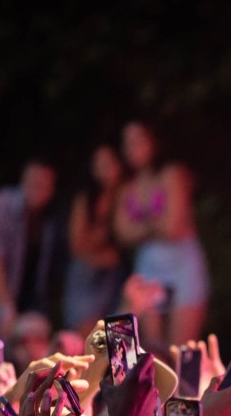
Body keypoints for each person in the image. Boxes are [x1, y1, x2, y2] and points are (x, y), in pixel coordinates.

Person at [112, 120, 209, 356]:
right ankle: (145, 382)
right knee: (149, 349)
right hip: (149, 267)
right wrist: (156, 225)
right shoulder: (127, 186)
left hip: (183, 266)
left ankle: (179, 385)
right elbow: (122, 233)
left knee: (181, 351)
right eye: (126, 143)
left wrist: (140, 228)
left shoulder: (172, 173)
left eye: (138, 141)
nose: (131, 149)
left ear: (153, 142)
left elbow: (172, 227)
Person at [0, 157, 61, 338]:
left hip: (27, 299)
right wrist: (6, 307)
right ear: (23, 180)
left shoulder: (49, 219)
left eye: (44, 185)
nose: (38, 189)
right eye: (34, 182)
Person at [64, 144, 128, 336]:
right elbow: (77, 245)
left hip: (117, 277)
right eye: (99, 165)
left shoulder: (128, 193)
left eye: (109, 164)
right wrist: (104, 219)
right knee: (89, 336)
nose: (104, 171)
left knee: (118, 336)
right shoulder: (86, 199)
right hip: (88, 276)